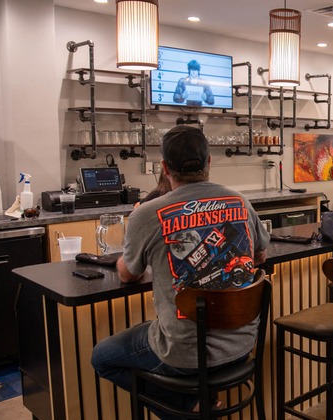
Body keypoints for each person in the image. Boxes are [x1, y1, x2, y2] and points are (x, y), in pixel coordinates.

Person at [91, 126, 270, 419]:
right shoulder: (240, 201)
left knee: (102, 357)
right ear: (209, 162)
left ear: (164, 168)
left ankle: (186, 409)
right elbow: (259, 255)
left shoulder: (147, 213)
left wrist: (137, 238)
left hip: (183, 355)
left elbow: (127, 274)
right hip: (242, 346)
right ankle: (196, 406)